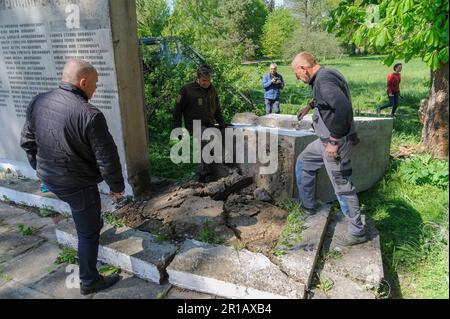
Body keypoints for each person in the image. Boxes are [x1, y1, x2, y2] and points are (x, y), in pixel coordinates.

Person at [20, 59, 124, 295]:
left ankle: (91, 221)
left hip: (51, 180)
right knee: (87, 234)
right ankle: (89, 280)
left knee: (85, 214)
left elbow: (26, 141)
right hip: (77, 185)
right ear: (83, 82)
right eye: (95, 84)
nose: (95, 89)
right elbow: (107, 158)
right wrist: (116, 186)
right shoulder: (89, 114)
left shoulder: (39, 101)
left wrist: (40, 169)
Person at [292, 52, 368, 247]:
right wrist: (310, 105)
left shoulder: (323, 81)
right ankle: (308, 206)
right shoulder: (327, 74)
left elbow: (342, 108)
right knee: (304, 162)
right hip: (324, 141)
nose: (298, 79)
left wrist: (334, 141)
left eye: (297, 74)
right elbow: (329, 99)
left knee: (342, 186)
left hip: (335, 143)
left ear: (304, 68)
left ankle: (357, 231)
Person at [173, 64, 227, 183]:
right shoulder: (187, 90)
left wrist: (222, 123)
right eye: (203, 80)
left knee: (205, 146)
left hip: (209, 124)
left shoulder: (212, 90)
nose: (206, 83)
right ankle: (224, 162)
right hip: (194, 125)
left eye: (208, 80)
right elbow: (177, 111)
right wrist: (177, 129)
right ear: (198, 77)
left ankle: (203, 175)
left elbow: (217, 109)